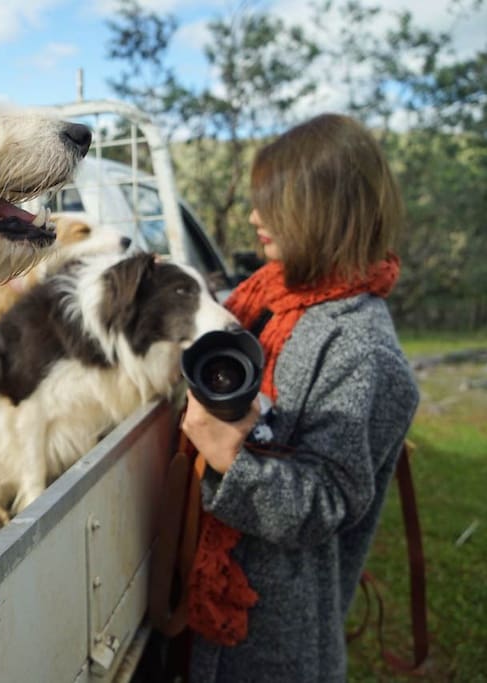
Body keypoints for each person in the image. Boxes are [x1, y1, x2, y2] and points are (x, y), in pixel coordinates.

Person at [179, 113, 419, 681]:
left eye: (274, 203)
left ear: (326, 210)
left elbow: (324, 504)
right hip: (209, 611)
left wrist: (229, 457)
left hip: (273, 645)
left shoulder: (361, 347)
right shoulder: (259, 298)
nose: (255, 216)